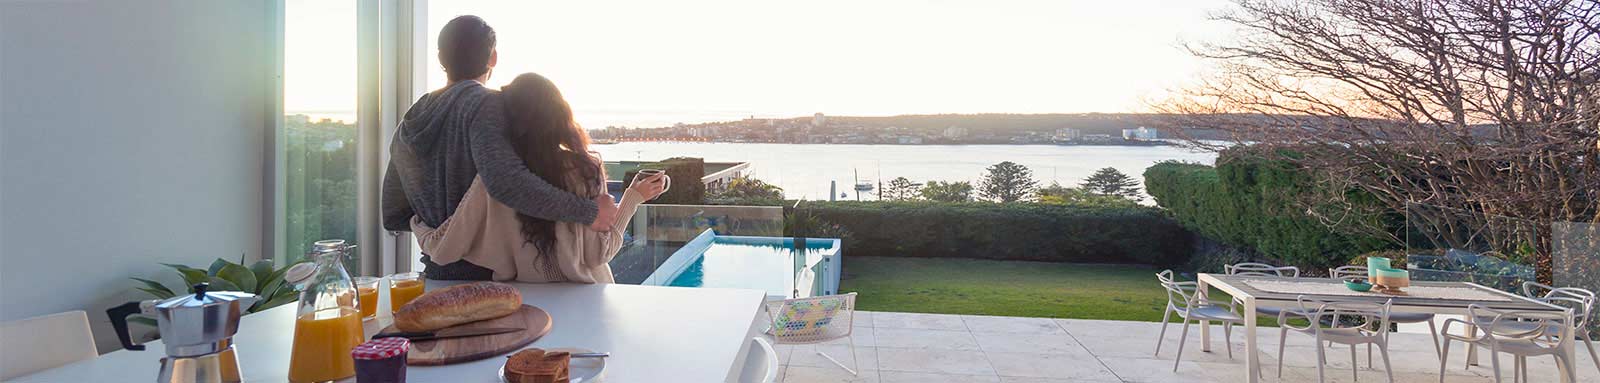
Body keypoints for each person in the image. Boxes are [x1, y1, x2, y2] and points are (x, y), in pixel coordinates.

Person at [381, 16, 619, 280]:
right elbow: (506, 182)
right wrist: (589, 213)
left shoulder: (410, 121)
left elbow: (394, 212)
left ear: (440, 58)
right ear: (493, 57)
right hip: (491, 279)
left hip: (436, 275)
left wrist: (436, 224)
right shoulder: (487, 105)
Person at [409, 73, 668, 283]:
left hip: (526, 305)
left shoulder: (493, 182)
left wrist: (417, 223)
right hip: (586, 301)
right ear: (560, 116)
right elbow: (600, 253)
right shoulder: (583, 171)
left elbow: (444, 247)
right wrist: (632, 199)